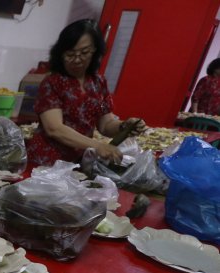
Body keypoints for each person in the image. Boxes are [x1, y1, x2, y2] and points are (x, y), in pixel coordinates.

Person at [27, 19, 145, 166]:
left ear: (95, 51)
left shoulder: (97, 82)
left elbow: (105, 124)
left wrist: (124, 127)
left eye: (84, 53)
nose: (77, 60)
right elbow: (54, 128)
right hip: (48, 161)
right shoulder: (52, 82)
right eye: (70, 54)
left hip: (79, 161)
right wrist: (97, 145)